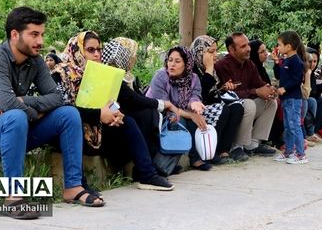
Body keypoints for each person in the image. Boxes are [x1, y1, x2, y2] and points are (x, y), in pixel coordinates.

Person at [0, 7, 104, 219]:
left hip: (18, 128)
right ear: (14, 34)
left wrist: (24, 102)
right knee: (16, 115)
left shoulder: (36, 60)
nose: (40, 41)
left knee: (68, 114)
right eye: (34, 34)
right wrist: (34, 111)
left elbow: (57, 98)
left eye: (41, 34)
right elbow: (8, 103)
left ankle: (73, 187)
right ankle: (13, 196)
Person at [53, 31, 174, 191]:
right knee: (72, 121)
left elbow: (107, 100)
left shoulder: (99, 73)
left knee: (127, 121)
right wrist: (99, 114)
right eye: (90, 50)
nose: (97, 54)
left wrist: (115, 112)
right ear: (77, 51)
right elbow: (62, 111)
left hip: (97, 130)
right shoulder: (61, 74)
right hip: (73, 131)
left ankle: (147, 174)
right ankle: (79, 186)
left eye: (99, 49)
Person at [102, 38, 182, 174]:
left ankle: (153, 165)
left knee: (153, 114)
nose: (134, 59)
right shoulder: (111, 74)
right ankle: (145, 168)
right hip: (110, 125)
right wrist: (164, 104)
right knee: (149, 114)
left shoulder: (127, 76)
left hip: (120, 119)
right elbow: (134, 100)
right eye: (131, 55)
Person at [147, 45, 213, 171]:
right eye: (170, 60)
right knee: (179, 120)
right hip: (158, 112)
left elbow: (195, 96)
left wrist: (194, 104)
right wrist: (192, 115)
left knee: (197, 120)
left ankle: (195, 159)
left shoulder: (193, 78)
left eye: (177, 61)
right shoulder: (161, 77)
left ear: (187, 64)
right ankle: (162, 167)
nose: (172, 64)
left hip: (179, 111)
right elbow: (165, 106)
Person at [215, 32, 277, 160]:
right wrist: (256, 92)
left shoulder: (249, 64)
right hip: (230, 108)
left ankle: (253, 145)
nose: (248, 48)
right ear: (231, 50)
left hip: (246, 104)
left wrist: (269, 90)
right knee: (248, 104)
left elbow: (259, 84)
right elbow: (227, 94)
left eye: (248, 45)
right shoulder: (222, 65)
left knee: (271, 102)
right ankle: (236, 147)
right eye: (243, 46)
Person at [190, 35, 245, 165]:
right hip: (195, 109)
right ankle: (210, 151)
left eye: (216, 51)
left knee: (237, 107)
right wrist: (209, 70)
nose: (215, 55)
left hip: (209, 107)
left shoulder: (211, 70)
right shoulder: (192, 70)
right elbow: (200, 96)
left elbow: (212, 95)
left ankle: (223, 149)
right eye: (211, 52)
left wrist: (223, 88)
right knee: (222, 109)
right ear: (200, 52)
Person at [273, 31, 307, 164]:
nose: (278, 48)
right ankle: (288, 151)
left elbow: (297, 79)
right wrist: (276, 62)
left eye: (280, 45)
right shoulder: (285, 60)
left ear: (289, 46)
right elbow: (278, 76)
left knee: (294, 125)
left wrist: (285, 88)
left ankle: (300, 154)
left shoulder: (296, 61)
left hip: (293, 98)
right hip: (286, 99)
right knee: (287, 126)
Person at [303, 47, 322, 141]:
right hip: (298, 99)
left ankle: (313, 132)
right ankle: (305, 134)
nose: (312, 64)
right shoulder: (301, 71)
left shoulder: (312, 74)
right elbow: (307, 93)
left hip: (307, 98)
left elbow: (313, 92)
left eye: (315, 61)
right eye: (310, 61)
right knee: (310, 101)